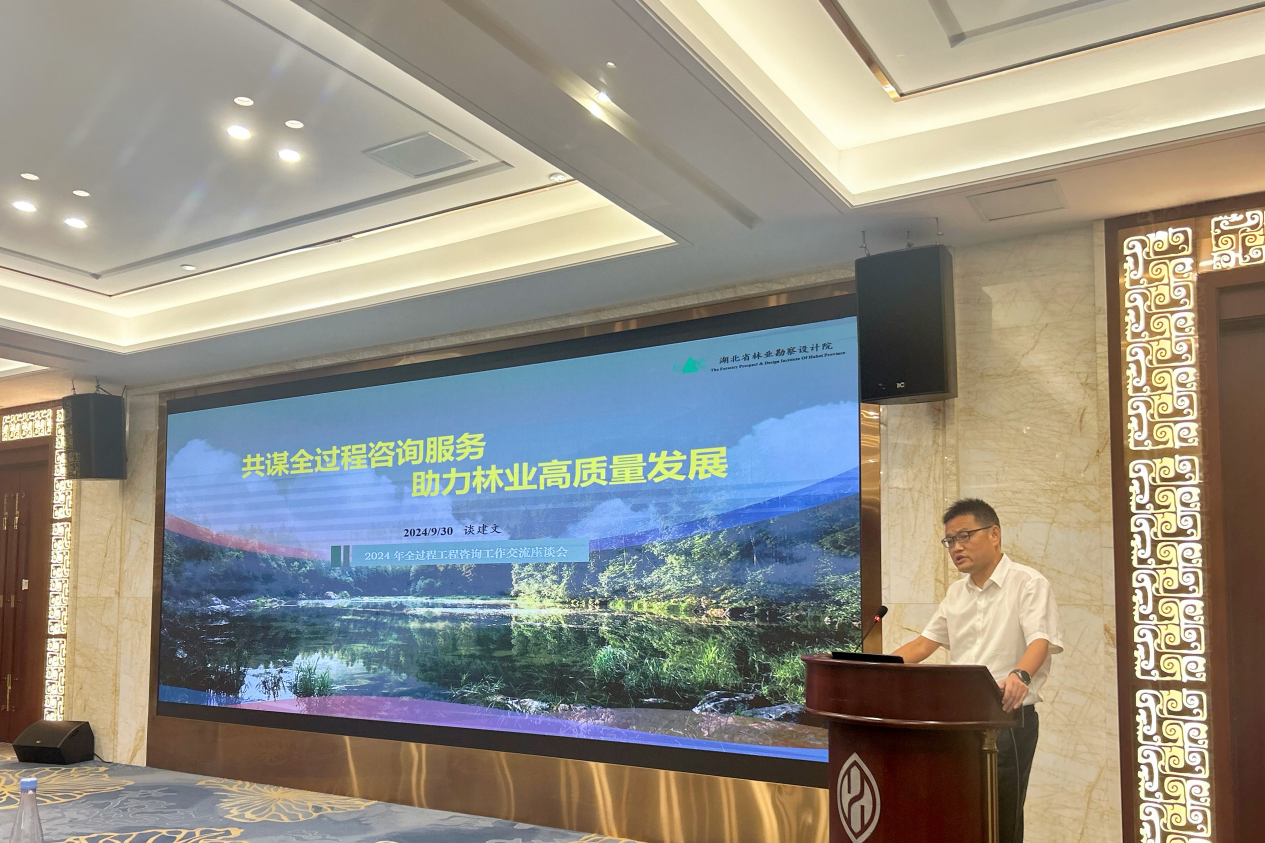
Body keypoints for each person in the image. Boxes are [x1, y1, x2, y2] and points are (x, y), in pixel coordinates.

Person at [892, 498, 1062, 843]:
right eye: (950, 541)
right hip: (959, 721)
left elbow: (1040, 641)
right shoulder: (957, 593)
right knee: (961, 814)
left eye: (964, 536)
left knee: (999, 817)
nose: (956, 547)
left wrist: (1020, 675)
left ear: (994, 534)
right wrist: (876, 668)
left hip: (1007, 717)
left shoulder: (1028, 583)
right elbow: (922, 645)